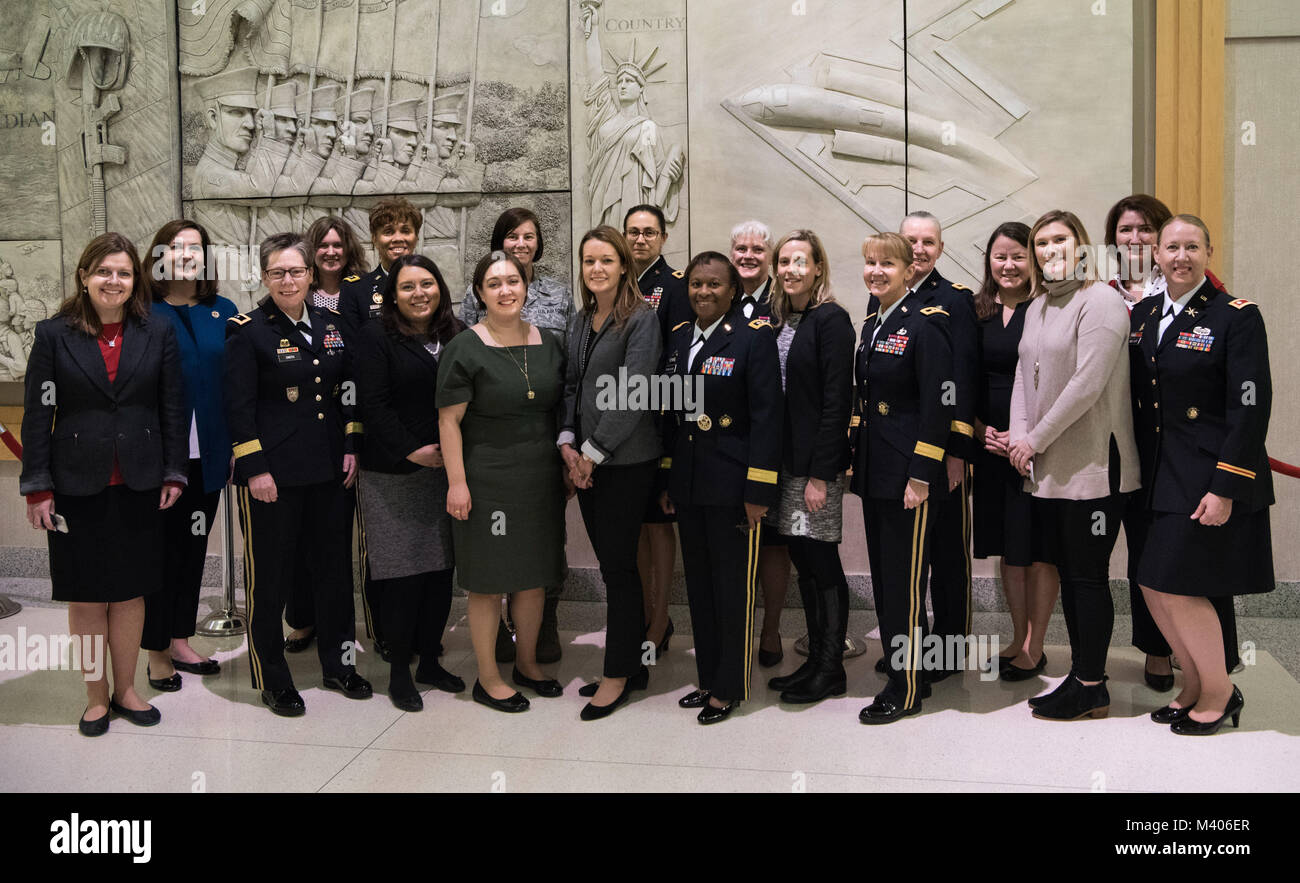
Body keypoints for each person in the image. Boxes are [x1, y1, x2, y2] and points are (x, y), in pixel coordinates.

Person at [20, 232, 188, 735]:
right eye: (104, 272)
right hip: (75, 486)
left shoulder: (156, 331)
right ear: (84, 276)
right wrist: (38, 486)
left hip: (139, 481)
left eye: (123, 273)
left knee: (132, 593)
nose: (113, 281)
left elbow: (173, 407)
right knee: (88, 597)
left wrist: (175, 471)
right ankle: (95, 697)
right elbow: (37, 415)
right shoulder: (54, 334)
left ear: (134, 280)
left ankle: (127, 689)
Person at [1128, 215, 1273, 735]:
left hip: (1209, 474)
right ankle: (1193, 683)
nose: (1181, 257)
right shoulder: (1144, 315)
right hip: (1162, 473)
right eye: (1172, 248)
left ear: (1209, 253)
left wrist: (1225, 486)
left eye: (1192, 247)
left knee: (1181, 586)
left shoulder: (1237, 316)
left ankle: (1220, 691)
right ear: (1157, 255)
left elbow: (1250, 407)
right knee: (1151, 582)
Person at [225, 232, 371, 716]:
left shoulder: (332, 323)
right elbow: (239, 411)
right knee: (270, 579)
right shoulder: (246, 331)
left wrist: (351, 445)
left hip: (330, 471)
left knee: (333, 573)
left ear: (311, 274)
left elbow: (346, 389)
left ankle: (340, 666)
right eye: (277, 272)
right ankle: (273, 678)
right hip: (274, 478)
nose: (288, 280)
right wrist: (255, 470)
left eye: (297, 271)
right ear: (264, 277)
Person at [1102, 194, 1240, 687]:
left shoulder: (1213, 301)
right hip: (1137, 453)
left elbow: (1240, 399)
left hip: (1192, 459)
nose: (1134, 238)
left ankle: (1217, 670)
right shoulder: (1111, 297)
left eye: (1144, 229)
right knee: (1147, 560)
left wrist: (1226, 477)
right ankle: (1160, 651)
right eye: (1125, 230)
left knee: (1199, 564)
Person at [1008, 210, 1140, 721]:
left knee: (1087, 577)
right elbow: (1024, 375)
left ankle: (1091, 684)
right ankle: (1082, 675)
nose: (1048, 249)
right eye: (1040, 242)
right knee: (1067, 572)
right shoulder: (1039, 303)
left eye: (1059, 239)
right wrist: (1021, 437)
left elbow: (1087, 384)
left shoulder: (1101, 300)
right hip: (1048, 466)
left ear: (1080, 245)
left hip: (1093, 466)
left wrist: (1035, 439)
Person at [437, 250, 567, 713]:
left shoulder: (549, 342)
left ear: (526, 286)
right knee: (489, 582)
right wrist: (457, 483)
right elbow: (449, 422)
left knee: (532, 579)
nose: (506, 290)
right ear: (479, 293)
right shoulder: (464, 347)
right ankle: (488, 677)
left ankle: (528, 664)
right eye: (494, 284)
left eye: (513, 280)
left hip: (539, 480)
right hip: (486, 480)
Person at [659, 251, 781, 725]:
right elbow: (672, 416)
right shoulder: (678, 338)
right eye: (695, 284)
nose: (702, 293)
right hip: (690, 483)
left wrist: (759, 489)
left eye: (713, 285)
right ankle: (709, 676)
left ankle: (730, 686)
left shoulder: (753, 339)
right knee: (701, 588)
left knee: (732, 590)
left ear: (733, 291)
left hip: (734, 486)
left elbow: (769, 418)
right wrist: (670, 477)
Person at [459, 206, 574, 664]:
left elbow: (568, 372)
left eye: (529, 236)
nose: (521, 243)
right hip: (493, 434)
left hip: (544, 433)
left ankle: (543, 626)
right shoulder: (475, 299)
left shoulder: (560, 294)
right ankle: (505, 630)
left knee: (546, 541)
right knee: (498, 544)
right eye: (512, 236)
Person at [355, 254, 466, 711]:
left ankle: (430, 662)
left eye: (427, 284)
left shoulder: (456, 333)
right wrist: (412, 451)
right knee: (401, 575)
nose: (419, 293)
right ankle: (400, 671)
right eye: (407, 287)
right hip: (393, 474)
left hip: (448, 474)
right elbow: (373, 405)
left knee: (440, 572)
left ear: (439, 287)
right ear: (392, 295)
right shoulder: (374, 336)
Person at [851, 233, 953, 724]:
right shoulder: (872, 321)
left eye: (887, 264)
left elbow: (938, 407)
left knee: (905, 586)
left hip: (908, 479)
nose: (876, 272)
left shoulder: (925, 325)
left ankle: (907, 686)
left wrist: (922, 475)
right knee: (887, 580)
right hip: (876, 473)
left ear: (909, 269)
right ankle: (900, 666)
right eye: (870, 263)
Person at [560, 226, 662, 720]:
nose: (596, 269)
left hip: (623, 462)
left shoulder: (641, 319)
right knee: (612, 566)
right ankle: (634, 664)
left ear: (623, 265)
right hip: (582, 460)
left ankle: (618, 673)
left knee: (618, 570)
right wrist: (566, 441)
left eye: (605, 260)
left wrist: (593, 452)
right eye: (588, 261)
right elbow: (572, 386)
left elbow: (635, 389)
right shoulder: (582, 319)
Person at [140, 220, 239, 691]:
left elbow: (239, 386)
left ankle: (179, 638)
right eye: (176, 248)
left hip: (211, 454)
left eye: (195, 248)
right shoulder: (142, 311)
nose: (186, 255)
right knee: (157, 554)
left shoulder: (225, 311)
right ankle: (155, 650)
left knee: (192, 550)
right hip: (160, 458)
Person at [759, 230, 855, 705]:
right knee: (803, 560)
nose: (791, 268)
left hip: (814, 469)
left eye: (801, 260)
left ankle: (830, 667)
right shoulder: (778, 319)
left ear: (818, 267)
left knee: (821, 560)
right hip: (783, 466)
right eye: (785, 260)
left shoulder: (831, 320)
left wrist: (821, 476)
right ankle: (815, 661)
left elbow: (838, 403)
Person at [970, 222, 1061, 682]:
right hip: (989, 447)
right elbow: (962, 380)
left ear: (1034, 260)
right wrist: (980, 430)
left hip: (1038, 446)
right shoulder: (975, 310)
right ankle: (1016, 635)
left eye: (1018, 256)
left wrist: (1028, 435)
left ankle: (1036, 644)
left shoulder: (1048, 308)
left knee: (1039, 548)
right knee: (1009, 548)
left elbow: (1060, 380)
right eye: (999, 256)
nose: (1008, 265)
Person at [897, 211, 979, 684]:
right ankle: (914, 641)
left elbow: (962, 379)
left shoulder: (955, 300)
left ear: (941, 249)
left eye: (928, 241)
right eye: (911, 240)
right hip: (900, 452)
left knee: (947, 553)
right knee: (909, 555)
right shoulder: (882, 295)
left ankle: (948, 652)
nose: (919, 250)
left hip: (943, 451)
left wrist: (956, 453)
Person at [283, 215, 370, 656]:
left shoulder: (362, 291)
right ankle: (302, 619)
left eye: (339, 245)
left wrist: (353, 435)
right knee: (298, 539)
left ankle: (342, 629)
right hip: (297, 435)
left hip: (345, 426)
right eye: (323, 246)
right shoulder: (295, 294)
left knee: (338, 537)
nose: (332, 252)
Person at [340, 198, 421, 659]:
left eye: (405, 229)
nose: (397, 238)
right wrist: (353, 435)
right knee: (380, 542)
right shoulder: (356, 292)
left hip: (422, 431)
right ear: (374, 238)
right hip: (376, 431)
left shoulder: (427, 282)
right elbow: (351, 368)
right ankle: (384, 630)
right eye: (388, 230)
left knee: (422, 537)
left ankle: (420, 627)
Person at [730, 220, 792, 667]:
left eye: (756, 248)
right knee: (732, 543)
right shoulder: (719, 295)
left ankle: (770, 630)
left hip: (774, 441)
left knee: (773, 541)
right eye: (740, 248)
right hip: (728, 444)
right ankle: (736, 632)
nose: (748, 255)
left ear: (769, 255)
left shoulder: (783, 301)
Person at [623, 203, 683, 659]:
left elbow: (679, 356)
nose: (640, 240)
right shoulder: (614, 284)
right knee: (637, 524)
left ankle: (661, 619)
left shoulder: (676, 287)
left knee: (660, 522)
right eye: (633, 232)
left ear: (663, 237)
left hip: (661, 420)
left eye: (649, 232)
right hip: (622, 422)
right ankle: (643, 612)